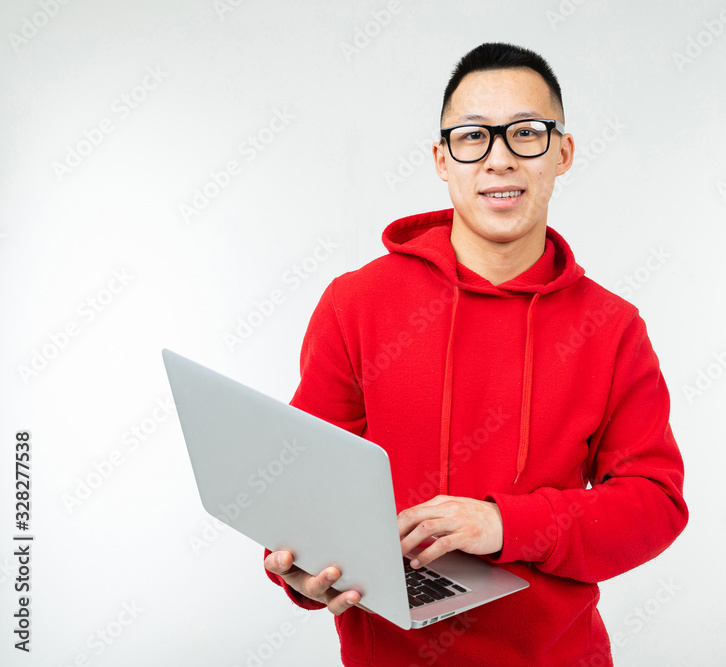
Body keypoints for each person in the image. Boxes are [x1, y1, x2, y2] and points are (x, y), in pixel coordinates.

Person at [262, 41, 688, 666]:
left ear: (562, 153)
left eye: (526, 134)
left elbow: (654, 502)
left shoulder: (612, 327)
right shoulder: (356, 303)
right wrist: (295, 571)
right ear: (442, 158)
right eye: (472, 138)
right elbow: (302, 487)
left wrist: (507, 526)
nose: (500, 160)